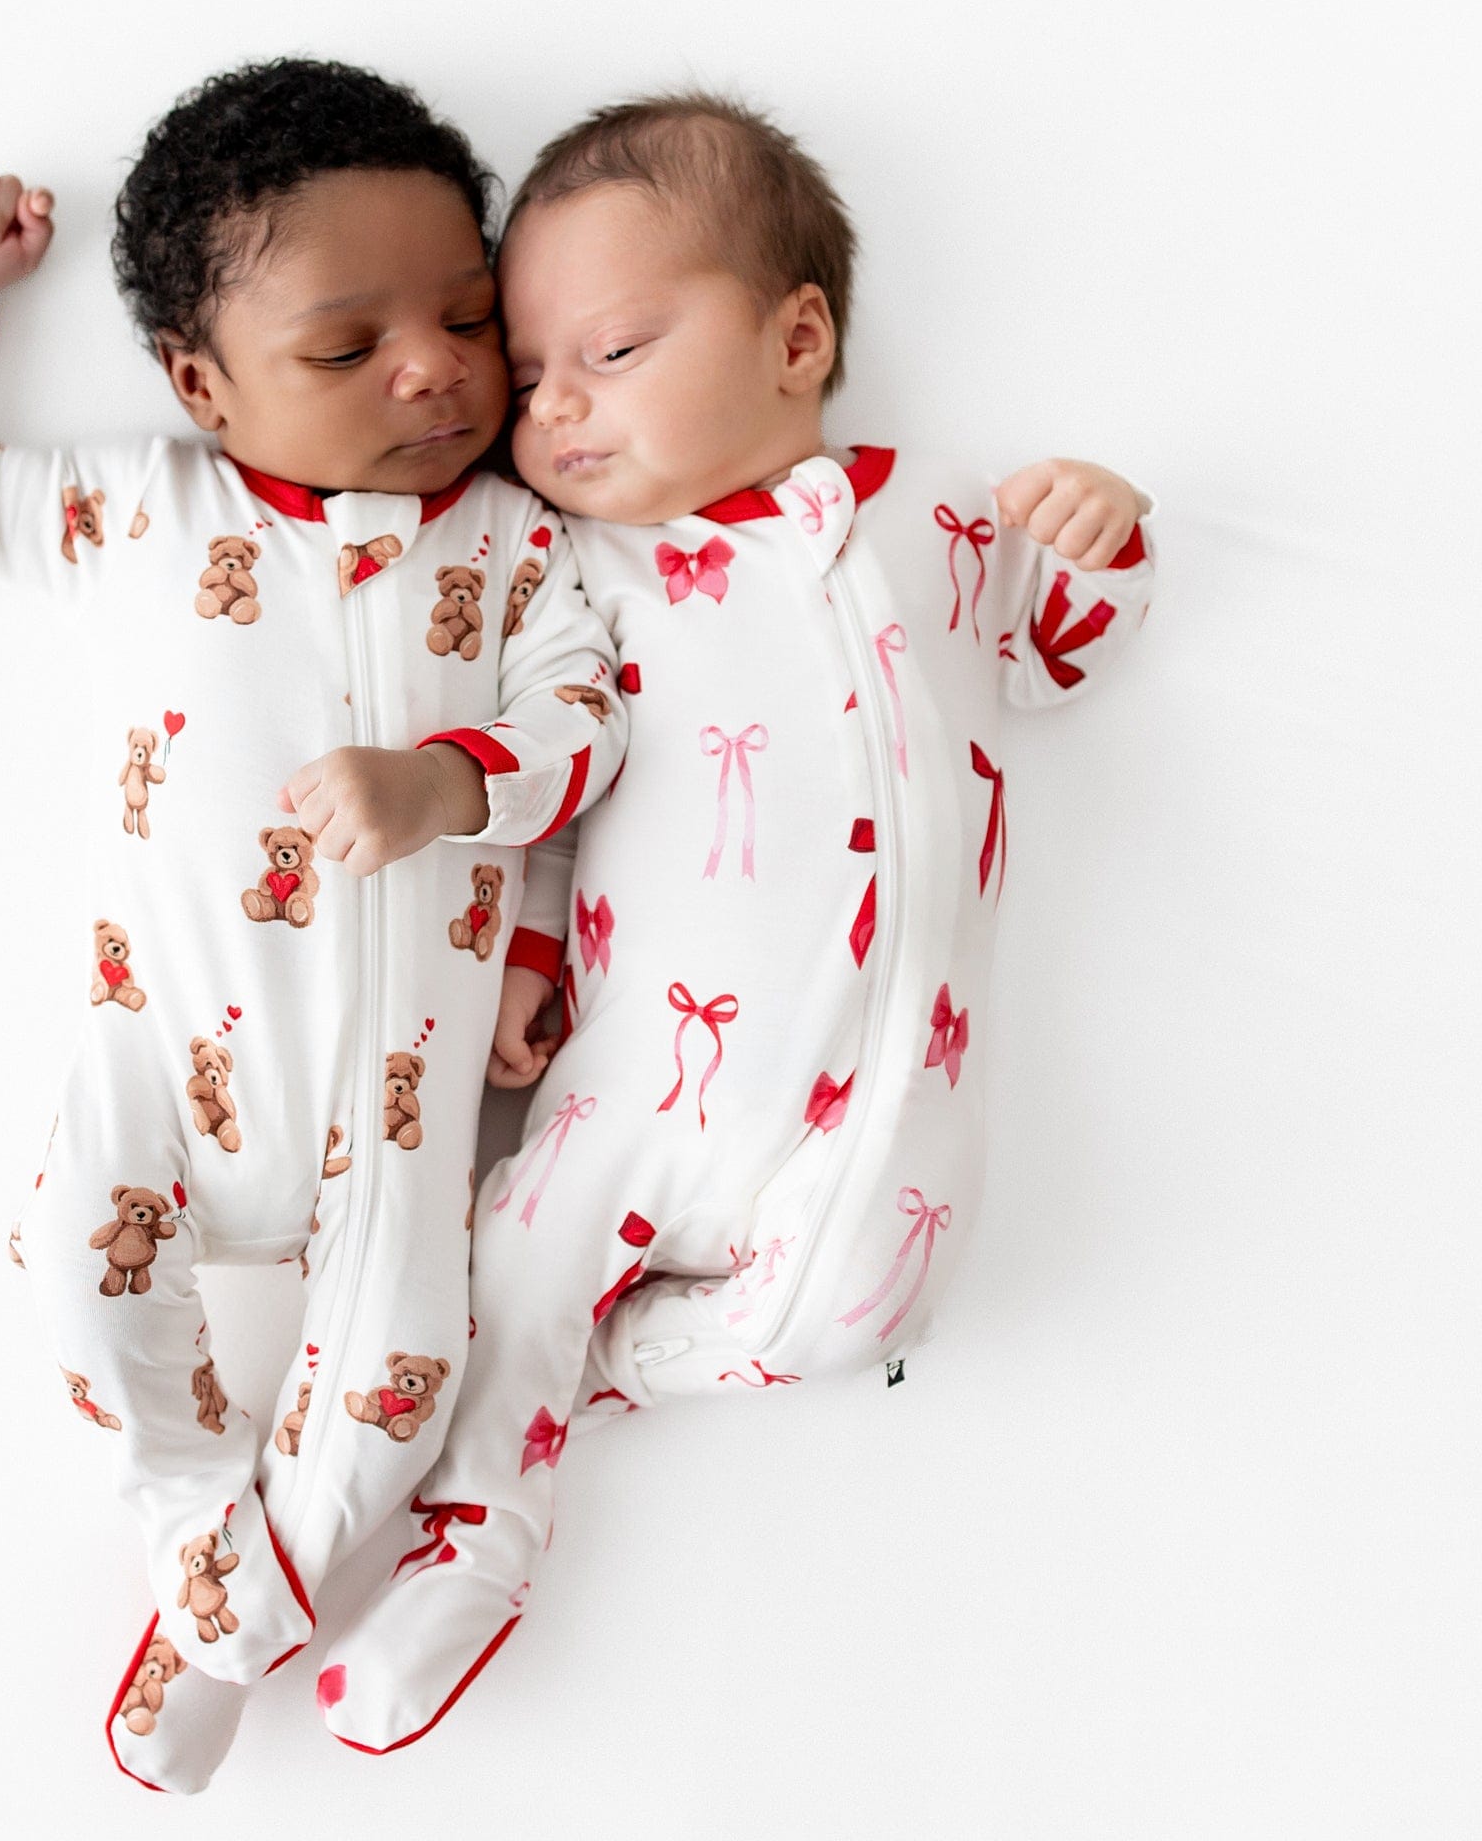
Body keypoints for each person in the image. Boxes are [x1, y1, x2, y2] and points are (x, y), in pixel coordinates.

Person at [317, 91, 1155, 1754]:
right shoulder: (581, 581)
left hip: (884, 1098)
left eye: (613, 352)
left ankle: (620, 1370)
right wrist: (528, 956)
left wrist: (1097, 530)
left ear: (797, 339)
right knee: (510, 1270)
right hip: (629, 1082)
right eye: (533, 379)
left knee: (865, 1317)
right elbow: (559, 782)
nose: (555, 407)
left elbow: (1057, 657)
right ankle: (477, 1543)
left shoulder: (945, 521)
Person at [0, 59, 625, 1792]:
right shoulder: (145, 512)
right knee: (72, 1268)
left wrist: (455, 789)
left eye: (466, 318)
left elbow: (589, 727)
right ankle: (206, 1534)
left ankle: (215, 1633)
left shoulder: (516, 547)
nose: (432, 369)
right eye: (347, 351)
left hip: (401, 1113)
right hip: (166, 1060)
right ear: (202, 385)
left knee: (403, 1383)